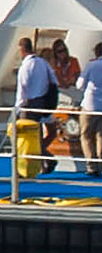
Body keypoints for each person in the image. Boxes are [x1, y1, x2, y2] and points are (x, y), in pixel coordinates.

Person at [16, 37, 58, 174]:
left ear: (22, 49)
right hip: (46, 102)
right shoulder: (43, 63)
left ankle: (43, 159)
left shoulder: (25, 66)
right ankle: (45, 160)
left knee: (32, 136)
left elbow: (22, 90)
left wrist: (17, 109)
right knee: (50, 132)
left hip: (31, 104)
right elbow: (54, 81)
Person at [76, 42, 102, 177]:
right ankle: (100, 165)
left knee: (86, 135)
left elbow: (80, 85)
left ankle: (91, 165)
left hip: (90, 105)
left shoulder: (92, 65)